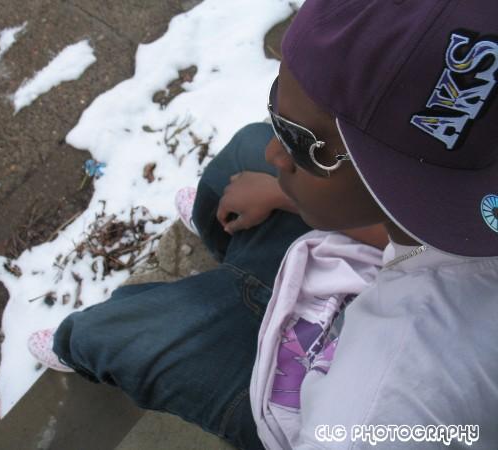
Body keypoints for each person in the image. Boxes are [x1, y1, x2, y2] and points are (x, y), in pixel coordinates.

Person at [30, 0, 498, 448]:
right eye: (276, 104)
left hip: (297, 405)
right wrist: (284, 191)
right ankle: (235, 248)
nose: (277, 152)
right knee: (243, 156)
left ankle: (78, 344)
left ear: (393, 178)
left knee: (126, 333)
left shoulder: (366, 417)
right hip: (375, 274)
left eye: (298, 140)